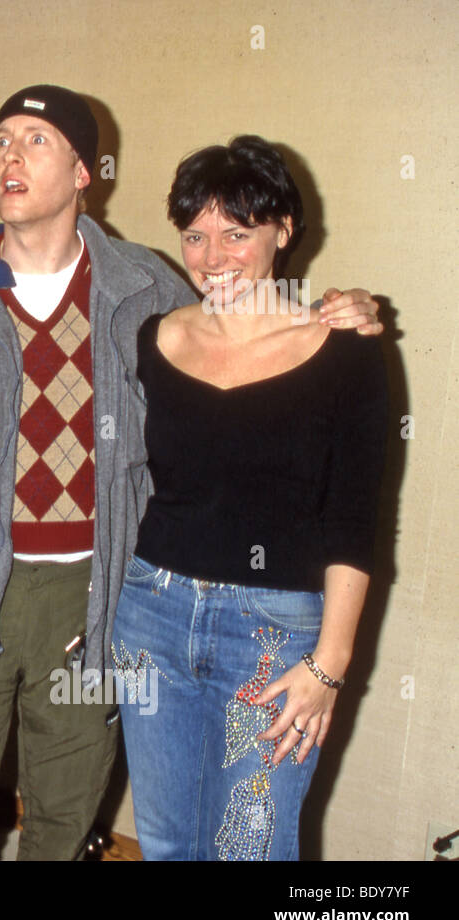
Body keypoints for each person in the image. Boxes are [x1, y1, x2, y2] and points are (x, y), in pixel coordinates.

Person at [0, 85, 383, 861]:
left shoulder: (145, 292)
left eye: (35, 141)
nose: (10, 155)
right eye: (2, 139)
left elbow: (246, 329)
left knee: (68, 814)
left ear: (85, 171)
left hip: (102, 597)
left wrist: (338, 307)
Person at [110, 135, 387, 861]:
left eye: (237, 233)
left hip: (274, 640)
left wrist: (330, 665)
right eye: (195, 236)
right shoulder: (152, 339)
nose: (212, 257)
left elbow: (357, 521)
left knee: (250, 847)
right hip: (152, 616)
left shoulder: (346, 347)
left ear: (283, 231)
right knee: (168, 845)